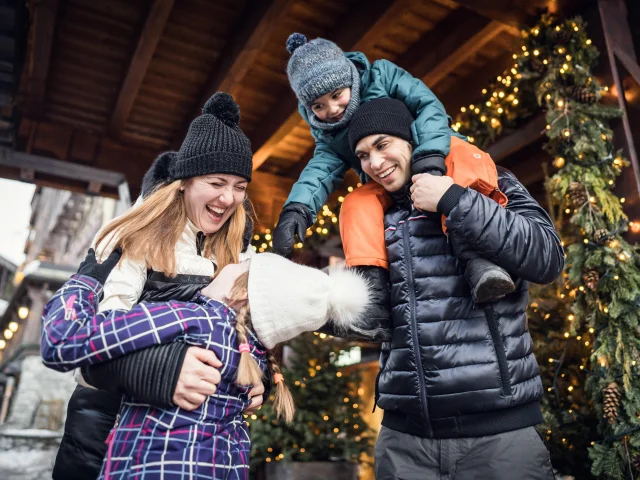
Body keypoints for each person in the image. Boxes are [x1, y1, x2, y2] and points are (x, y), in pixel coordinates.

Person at [345, 98, 564, 478]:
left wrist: (452, 199)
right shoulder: (371, 214)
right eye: (362, 155)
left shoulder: (485, 181)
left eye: (383, 145)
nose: (374, 163)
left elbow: (546, 257)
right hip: (404, 443)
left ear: (412, 139)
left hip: (499, 438)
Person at [53, 93, 264, 480]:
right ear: (184, 182)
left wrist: (252, 373)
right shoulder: (133, 236)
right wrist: (159, 370)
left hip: (194, 445)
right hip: (110, 428)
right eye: (216, 182)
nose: (228, 198)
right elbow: (84, 343)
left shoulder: (238, 248)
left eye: (240, 186)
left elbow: (240, 333)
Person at [41, 249, 373, 480]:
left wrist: (87, 280)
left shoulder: (192, 319)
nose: (229, 263)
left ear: (241, 293)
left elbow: (63, 340)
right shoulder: (254, 360)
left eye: (243, 265)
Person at [272, 33, 515, 304]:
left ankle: (478, 257)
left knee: (462, 154)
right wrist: (297, 209)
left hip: (431, 154)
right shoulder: (328, 135)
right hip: (388, 180)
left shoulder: (382, 76)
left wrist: (429, 156)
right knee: (357, 203)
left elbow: (427, 106)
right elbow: (320, 172)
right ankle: (372, 288)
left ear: (349, 79)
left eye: (337, 95)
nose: (332, 109)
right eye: (318, 106)